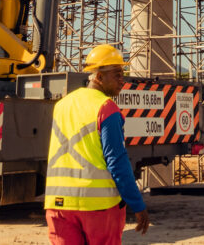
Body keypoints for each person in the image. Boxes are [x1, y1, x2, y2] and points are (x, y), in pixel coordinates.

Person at [45, 45, 151, 244]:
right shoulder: (106, 108)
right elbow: (117, 162)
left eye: (123, 74)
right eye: (117, 74)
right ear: (98, 77)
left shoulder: (61, 106)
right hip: (98, 208)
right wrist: (137, 204)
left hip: (58, 205)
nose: (122, 80)